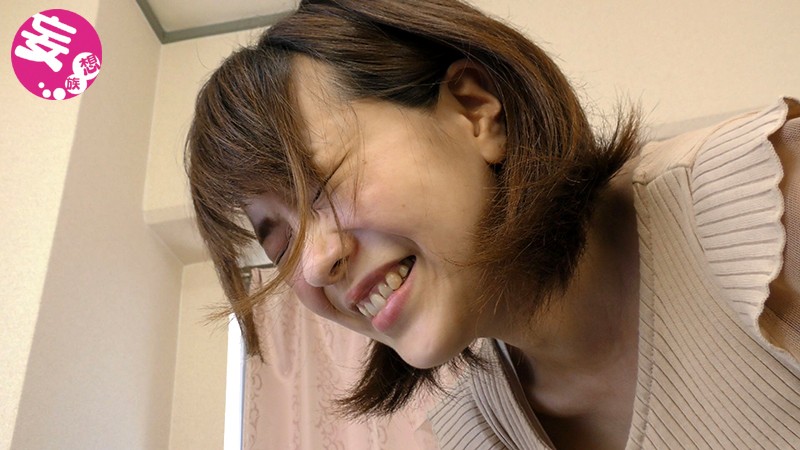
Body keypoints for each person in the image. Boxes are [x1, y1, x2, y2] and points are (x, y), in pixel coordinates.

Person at [185, 0, 800, 448]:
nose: (316, 263)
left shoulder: (762, 202)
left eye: (321, 183)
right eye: (282, 244)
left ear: (475, 111)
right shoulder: (475, 432)